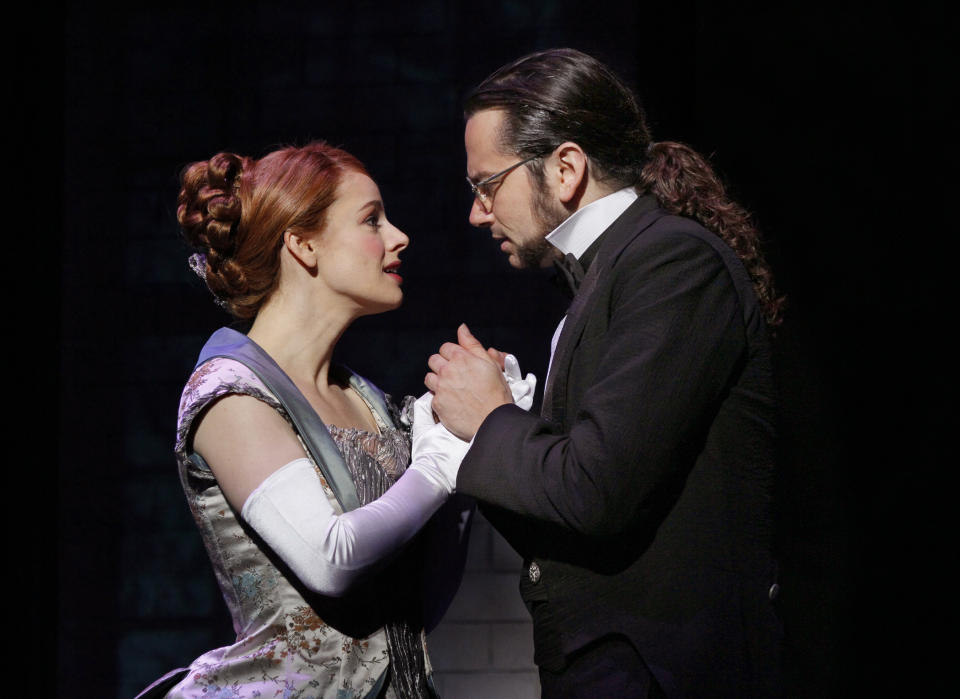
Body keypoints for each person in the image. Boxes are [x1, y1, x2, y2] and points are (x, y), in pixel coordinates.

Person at [424, 49, 786, 697]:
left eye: (486, 185)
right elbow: (569, 517)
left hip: (666, 669)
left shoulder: (672, 261)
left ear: (565, 168)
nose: (478, 213)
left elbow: (596, 490)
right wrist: (474, 440)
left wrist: (492, 418)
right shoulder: (606, 276)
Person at [137, 142, 534, 699]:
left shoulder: (367, 400)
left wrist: (471, 441)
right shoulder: (229, 393)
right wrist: (439, 466)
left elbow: (420, 602)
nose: (399, 237)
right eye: (372, 219)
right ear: (303, 244)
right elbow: (331, 558)